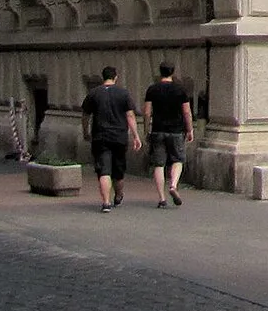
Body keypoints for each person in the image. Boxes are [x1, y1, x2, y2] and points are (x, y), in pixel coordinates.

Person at [81, 66, 142, 213]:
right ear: (116, 77)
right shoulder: (123, 93)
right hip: (119, 137)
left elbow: (85, 115)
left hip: (100, 137)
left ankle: (106, 202)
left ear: (103, 77)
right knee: (118, 170)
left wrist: (85, 132)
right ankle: (119, 195)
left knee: (104, 170)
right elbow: (130, 116)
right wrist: (136, 136)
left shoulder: (93, 94)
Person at [141, 63, 194, 207]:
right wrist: (189, 129)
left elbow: (146, 112)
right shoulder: (180, 90)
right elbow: (186, 112)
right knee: (177, 160)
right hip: (176, 130)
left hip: (158, 130)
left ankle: (161, 198)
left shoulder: (152, 89)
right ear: (173, 72)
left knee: (159, 164)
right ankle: (173, 185)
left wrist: (146, 130)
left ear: (160, 72)